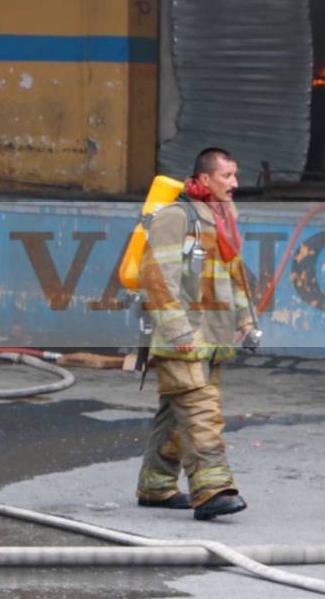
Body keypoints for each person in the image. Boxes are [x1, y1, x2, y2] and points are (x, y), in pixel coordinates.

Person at [135, 147, 254, 521]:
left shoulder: (221, 218)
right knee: (201, 410)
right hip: (184, 336)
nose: (235, 183)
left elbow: (233, 274)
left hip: (212, 336)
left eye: (235, 175)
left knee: (177, 415)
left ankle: (156, 485)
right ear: (204, 179)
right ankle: (213, 490)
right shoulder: (176, 217)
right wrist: (176, 330)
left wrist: (246, 319)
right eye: (227, 176)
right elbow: (156, 278)